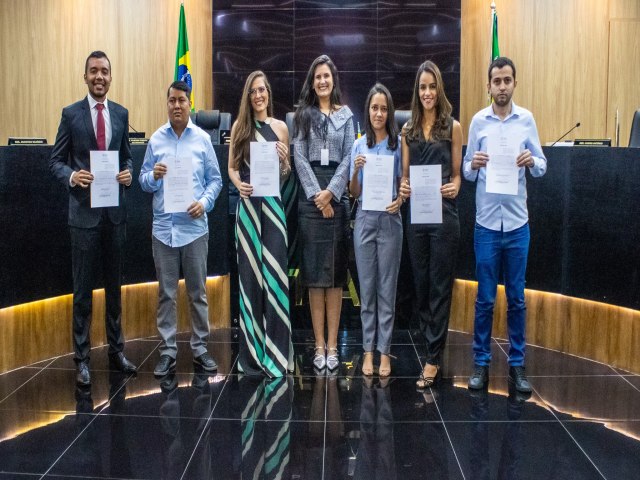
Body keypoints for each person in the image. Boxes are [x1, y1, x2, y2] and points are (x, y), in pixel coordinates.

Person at [49, 51, 137, 386]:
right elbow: (56, 161)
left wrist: (128, 173)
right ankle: (82, 360)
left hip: (114, 216)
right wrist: (72, 176)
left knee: (114, 290)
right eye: (94, 71)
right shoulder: (71, 114)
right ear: (85, 76)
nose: (99, 76)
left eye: (104, 71)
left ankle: (117, 351)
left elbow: (127, 158)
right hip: (83, 217)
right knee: (83, 293)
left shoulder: (121, 113)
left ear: (110, 77)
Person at [463, 57, 547, 393]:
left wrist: (531, 160)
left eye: (507, 80)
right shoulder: (478, 122)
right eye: (496, 81)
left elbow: (542, 166)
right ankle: (481, 364)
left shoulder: (526, 120)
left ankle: (517, 366)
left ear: (514, 83)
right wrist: (474, 163)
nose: (501, 86)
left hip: (516, 225)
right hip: (486, 225)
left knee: (517, 299)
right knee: (484, 299)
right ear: (489, 86)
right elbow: (466, 172)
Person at [139, 81, 223, 377]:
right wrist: (153, 176)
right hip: (164, 230)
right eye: (172, 100)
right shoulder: (156, 140)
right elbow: (143, 181)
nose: (176, 105)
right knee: (166, 294)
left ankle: (200, 348)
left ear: (190, 105)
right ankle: (167, 351)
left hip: (194, 229)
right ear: (167, 104)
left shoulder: (202, 139)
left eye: (181, 100)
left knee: (198, 293)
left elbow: (216, 180)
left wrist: (204, 203)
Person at [400, 60, 462, 389]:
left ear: (439, 89)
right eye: (422, 87)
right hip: (417, 218)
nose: (427, 93)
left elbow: (457, 176)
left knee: (440, 286)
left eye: (432, 86)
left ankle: (433, 357)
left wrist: (455, 186)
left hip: (444, 217)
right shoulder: (407, 131)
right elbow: (404, 178)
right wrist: (403, 187)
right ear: (417, 91)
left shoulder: (453, 127)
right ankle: (430, 344)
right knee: (421, 285)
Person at [228, 70, 293, 377]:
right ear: (248, 95)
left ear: (268, 93)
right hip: (248, 211)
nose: (258, 95)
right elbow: (231, 168)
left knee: (276, 279)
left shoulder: (281, 128)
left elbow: (286, 173)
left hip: (273, 210)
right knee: (250, 280)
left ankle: (278, 355)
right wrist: (238, 184)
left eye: (262, 90)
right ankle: (252, 356)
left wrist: (284, 160)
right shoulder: (240, 126)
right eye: (253, 91)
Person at [293, 54, 355, 371]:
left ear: (333, 80)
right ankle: (319, 345)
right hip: (310, 200)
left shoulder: (347, 116)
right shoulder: (303, 115)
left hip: (337, 197)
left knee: (334, 278)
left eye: (326, 76)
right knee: (315, 278)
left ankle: (333, 346)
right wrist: (318, 195)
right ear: (312, 81)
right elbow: (299, 157)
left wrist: (331, 192)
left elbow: (349, 157)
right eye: (317, 76)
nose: (322, 81)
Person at [349, 83, 403, 377]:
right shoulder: (359, 146)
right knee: (367, 290)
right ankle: (368, 351)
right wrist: (357, 170)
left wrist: (400, 199)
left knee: (387, 290)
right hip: (365, 219)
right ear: (367, 111)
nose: (379, 113)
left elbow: (403, 184)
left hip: (390, 220)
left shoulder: (398, 144)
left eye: (383, 109)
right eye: (374, 108)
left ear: (389, 112)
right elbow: (353, 192)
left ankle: (385, 352)